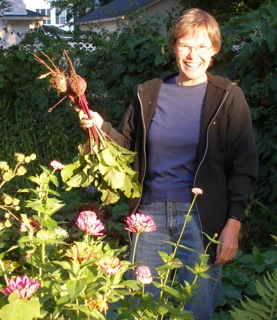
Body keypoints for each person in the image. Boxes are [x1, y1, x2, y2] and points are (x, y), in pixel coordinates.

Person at [77, 8, 258, 319]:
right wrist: (101, 128)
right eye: (186, 45)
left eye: (202, 46)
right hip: (149, 219)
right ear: (174, 47)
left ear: (214, 50)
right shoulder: (149, 93)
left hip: (202, 221)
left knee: (196, 310)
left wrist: (233, 222)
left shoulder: (228, 96)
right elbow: (127, 151)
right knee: (142, 308)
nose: (193, 55)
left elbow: (243, 165)